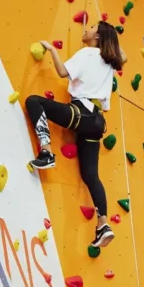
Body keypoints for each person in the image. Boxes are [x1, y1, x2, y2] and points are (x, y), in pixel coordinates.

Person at [24, 20, 128, 249]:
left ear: (98, 37)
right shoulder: (110, 62)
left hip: (81, 113)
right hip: (97, 121)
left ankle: (47, 151)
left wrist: (51, 49)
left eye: (91, 28)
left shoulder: (89, 54)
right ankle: (103, 224)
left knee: (34, 102)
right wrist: (108, 41)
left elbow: (62, 72)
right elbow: (123, 55)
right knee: (91, 175)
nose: (86, 29)